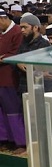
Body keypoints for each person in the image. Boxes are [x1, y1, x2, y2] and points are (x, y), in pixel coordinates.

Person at [0, 10, 25, 151]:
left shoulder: (16, 32)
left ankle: (20, 142)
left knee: (13, 111)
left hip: (9, 79)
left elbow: (15, 53)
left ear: (2, 19)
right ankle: (5, 139)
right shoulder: (3, 33)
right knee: (2, 111)